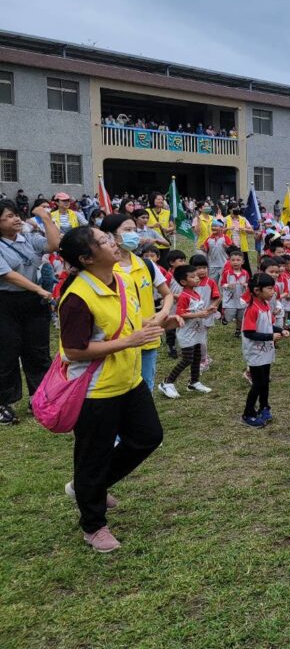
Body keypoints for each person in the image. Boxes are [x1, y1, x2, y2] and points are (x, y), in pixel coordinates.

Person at [56, 226, 171, 552]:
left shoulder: (119, 279)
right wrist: (129, 341)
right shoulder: (78, 297)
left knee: (148, 437)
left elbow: (130, 321)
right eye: (104, 240)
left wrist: (155, 324)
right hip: (95, 391)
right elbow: (74, 350)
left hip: (129, 380)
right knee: (93, 456)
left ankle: (88, 487)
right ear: (86, 258)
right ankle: (93, 526)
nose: (114, 242)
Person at [0, 199, 60, 423]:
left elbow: (53, 245)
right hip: (5, 302)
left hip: (33, 302)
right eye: (8, 216)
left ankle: (39, 397)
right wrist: (40, 290)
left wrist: (45, 217)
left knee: (38, 350)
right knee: (7, 352)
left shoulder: (28, 238)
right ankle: (3, 402)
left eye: (16, 214)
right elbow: (7, 275)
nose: (15, 219)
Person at [101, 214, 174, 394]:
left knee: (146, 387)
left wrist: (163, 313)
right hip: (119, 342)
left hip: (148, 338)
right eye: (127, 230)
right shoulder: (104, 269)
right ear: (110, 236)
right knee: (120, 389)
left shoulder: (146, 264)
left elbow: (168, 294)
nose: (133, 234)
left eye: (134, 230)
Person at [157, 265, 214, 399]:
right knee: (187, 359)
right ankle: (167, 382)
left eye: (196, 275)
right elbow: (180, 314)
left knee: (197, 357)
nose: (197, 278)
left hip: (197, 331)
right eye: (193, 276)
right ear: (183, 282)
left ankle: (194, 382)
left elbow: (195, 310)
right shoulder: (184, 296)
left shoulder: (195, 293)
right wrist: (199, 314)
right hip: (187, 332)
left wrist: (208, 310)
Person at [240, 273, 289, 428]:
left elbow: (267, 325)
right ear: (257, 290)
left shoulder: (266, 305)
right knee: (258, 383)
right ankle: (248, 413)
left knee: (265, 381)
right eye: (269, 288)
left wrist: (280, 330)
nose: (273, 291)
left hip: (266, 350)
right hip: (255, 352)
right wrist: (270, 336)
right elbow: (249, 332)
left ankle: (264, 406)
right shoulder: (252, 309)